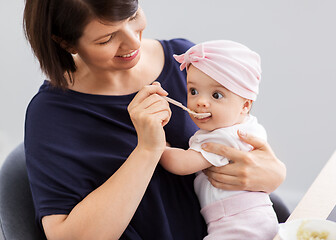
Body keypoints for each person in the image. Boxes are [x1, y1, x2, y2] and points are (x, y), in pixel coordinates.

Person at [22, 0, 287, 239]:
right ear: (66, 43)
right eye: (106, 39)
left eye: (133, 15)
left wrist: (274, 174)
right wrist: (147, 149)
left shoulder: (186, 59)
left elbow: (240, 133)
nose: (133, 42)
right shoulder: (51, 115)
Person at [160, 40, 279, 239]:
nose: (201, 102)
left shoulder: (225, 137)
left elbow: (182, 164)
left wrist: (159, 147)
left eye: (216, 95)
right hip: (250, 217)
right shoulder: (247, 126)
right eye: (193, 91)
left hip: (237, 220)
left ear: (245, 105)